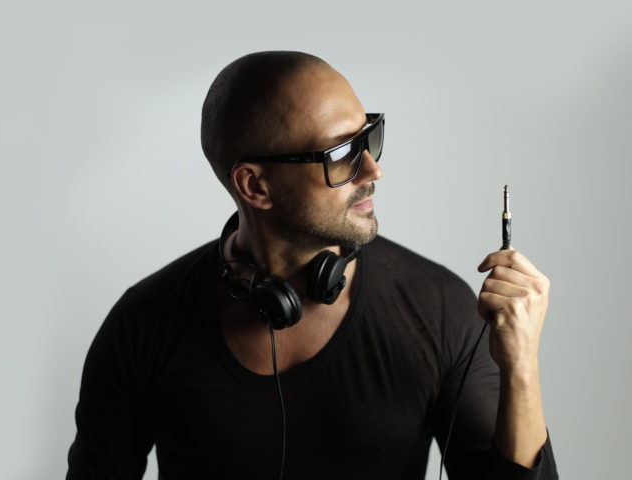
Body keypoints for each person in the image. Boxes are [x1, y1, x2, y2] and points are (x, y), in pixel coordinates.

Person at [66, 51, 559, 479]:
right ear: (255, 185)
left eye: (368, 136)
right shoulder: (143, 325)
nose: (373, 169)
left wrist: (521, 366)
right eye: (341, 153)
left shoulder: (439, 308)